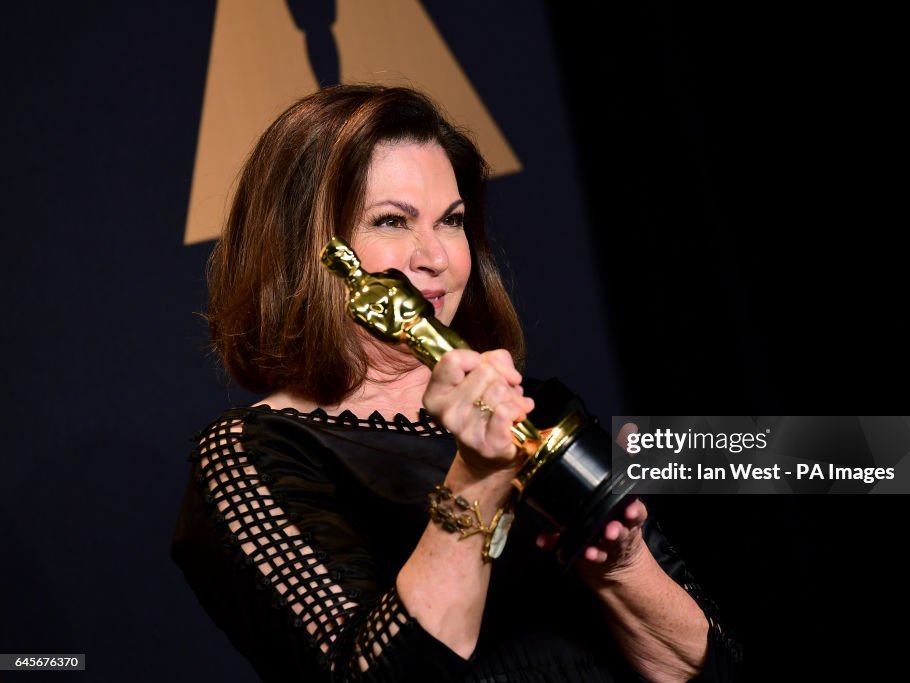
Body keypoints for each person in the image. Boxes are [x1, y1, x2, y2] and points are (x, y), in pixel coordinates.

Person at [171, 84, 740, 682]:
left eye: (452, 221)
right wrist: (477, 479)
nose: (435, 256)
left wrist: (621, 567)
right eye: (392, 221)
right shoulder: (249, 455)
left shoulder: (537, 406)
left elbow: (710, 669)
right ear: (308, 251)